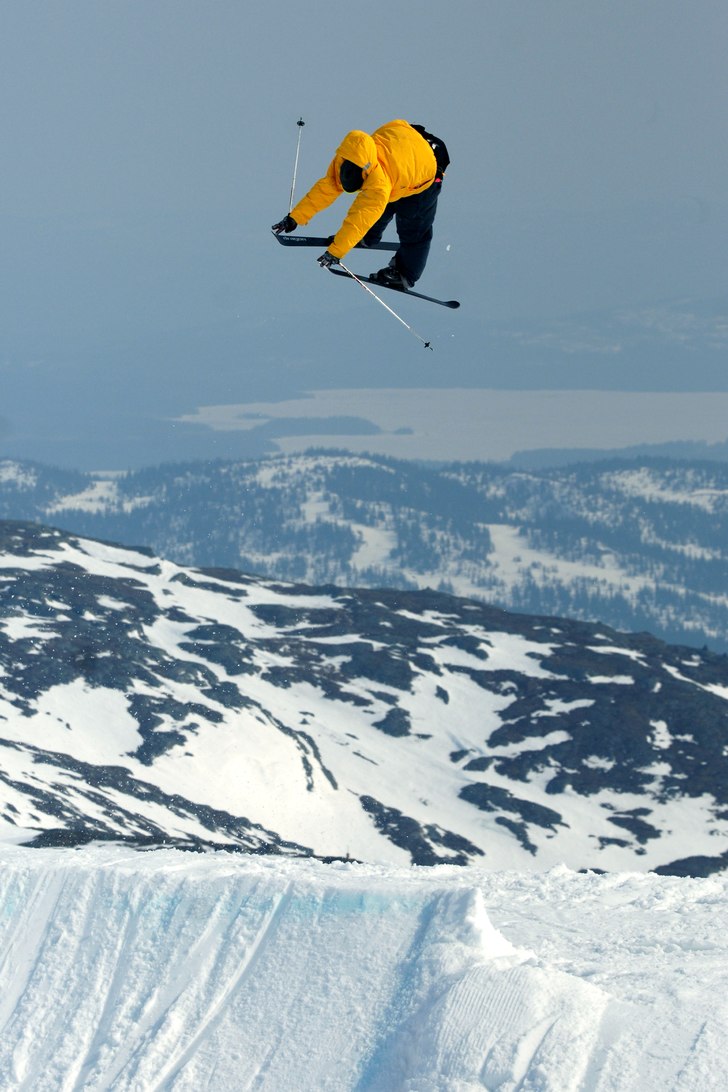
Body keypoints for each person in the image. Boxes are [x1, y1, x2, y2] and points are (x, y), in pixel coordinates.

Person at [272, 119, 449, 290]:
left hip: (426, 174)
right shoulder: (348, 157)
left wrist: (336, 251)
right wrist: (295, 218)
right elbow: (326, 189)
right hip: (403, 151)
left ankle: (405, 275)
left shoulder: (378, 182)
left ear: (366, 171)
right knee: (380, 205)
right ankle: (368, 237)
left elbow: (360, 217)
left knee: (413, 227)